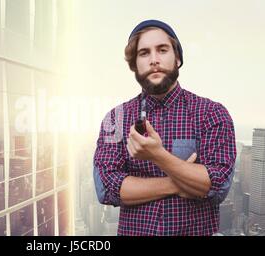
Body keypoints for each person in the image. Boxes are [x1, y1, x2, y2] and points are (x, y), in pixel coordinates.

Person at [93, 19, 236, 236]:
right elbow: (107, 188)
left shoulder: (212, 113)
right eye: (144, 53)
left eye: (162, 50)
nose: (154, 60)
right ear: (134, 64)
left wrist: (158, 155)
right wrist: (182, 182)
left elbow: (217, 185)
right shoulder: (115, 118)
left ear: (177, 58)